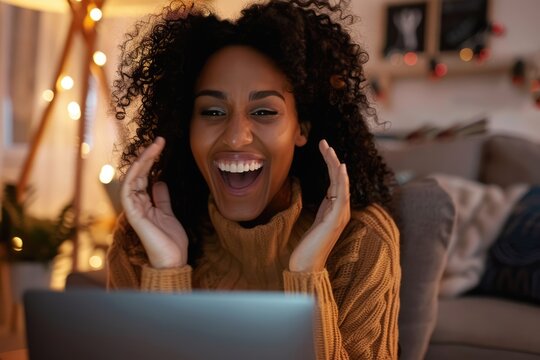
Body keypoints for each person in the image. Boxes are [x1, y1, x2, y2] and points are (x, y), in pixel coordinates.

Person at [107, 0, 401, 358]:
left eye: (263, 111)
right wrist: (166, 273)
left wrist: (308, 276)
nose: (235, 137)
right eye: (213, 111)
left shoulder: (362, 241)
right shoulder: (141, 240)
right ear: (187, 126)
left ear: (301, 128)